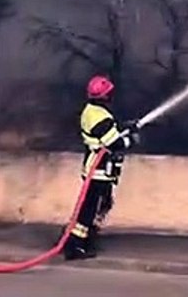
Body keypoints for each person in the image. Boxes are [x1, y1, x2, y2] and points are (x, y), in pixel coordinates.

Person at [63, 74, 138, 261]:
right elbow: (113, 143)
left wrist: (126, 127)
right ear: (105, 96)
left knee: (102, 205)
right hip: (97, 172)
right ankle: (75, 245)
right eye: (110, 93)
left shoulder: (95, 112)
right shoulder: (98, 115)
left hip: (102, 171)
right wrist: (131, 140)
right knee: (89, 209)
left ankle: (83, 238)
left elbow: (109, 131)